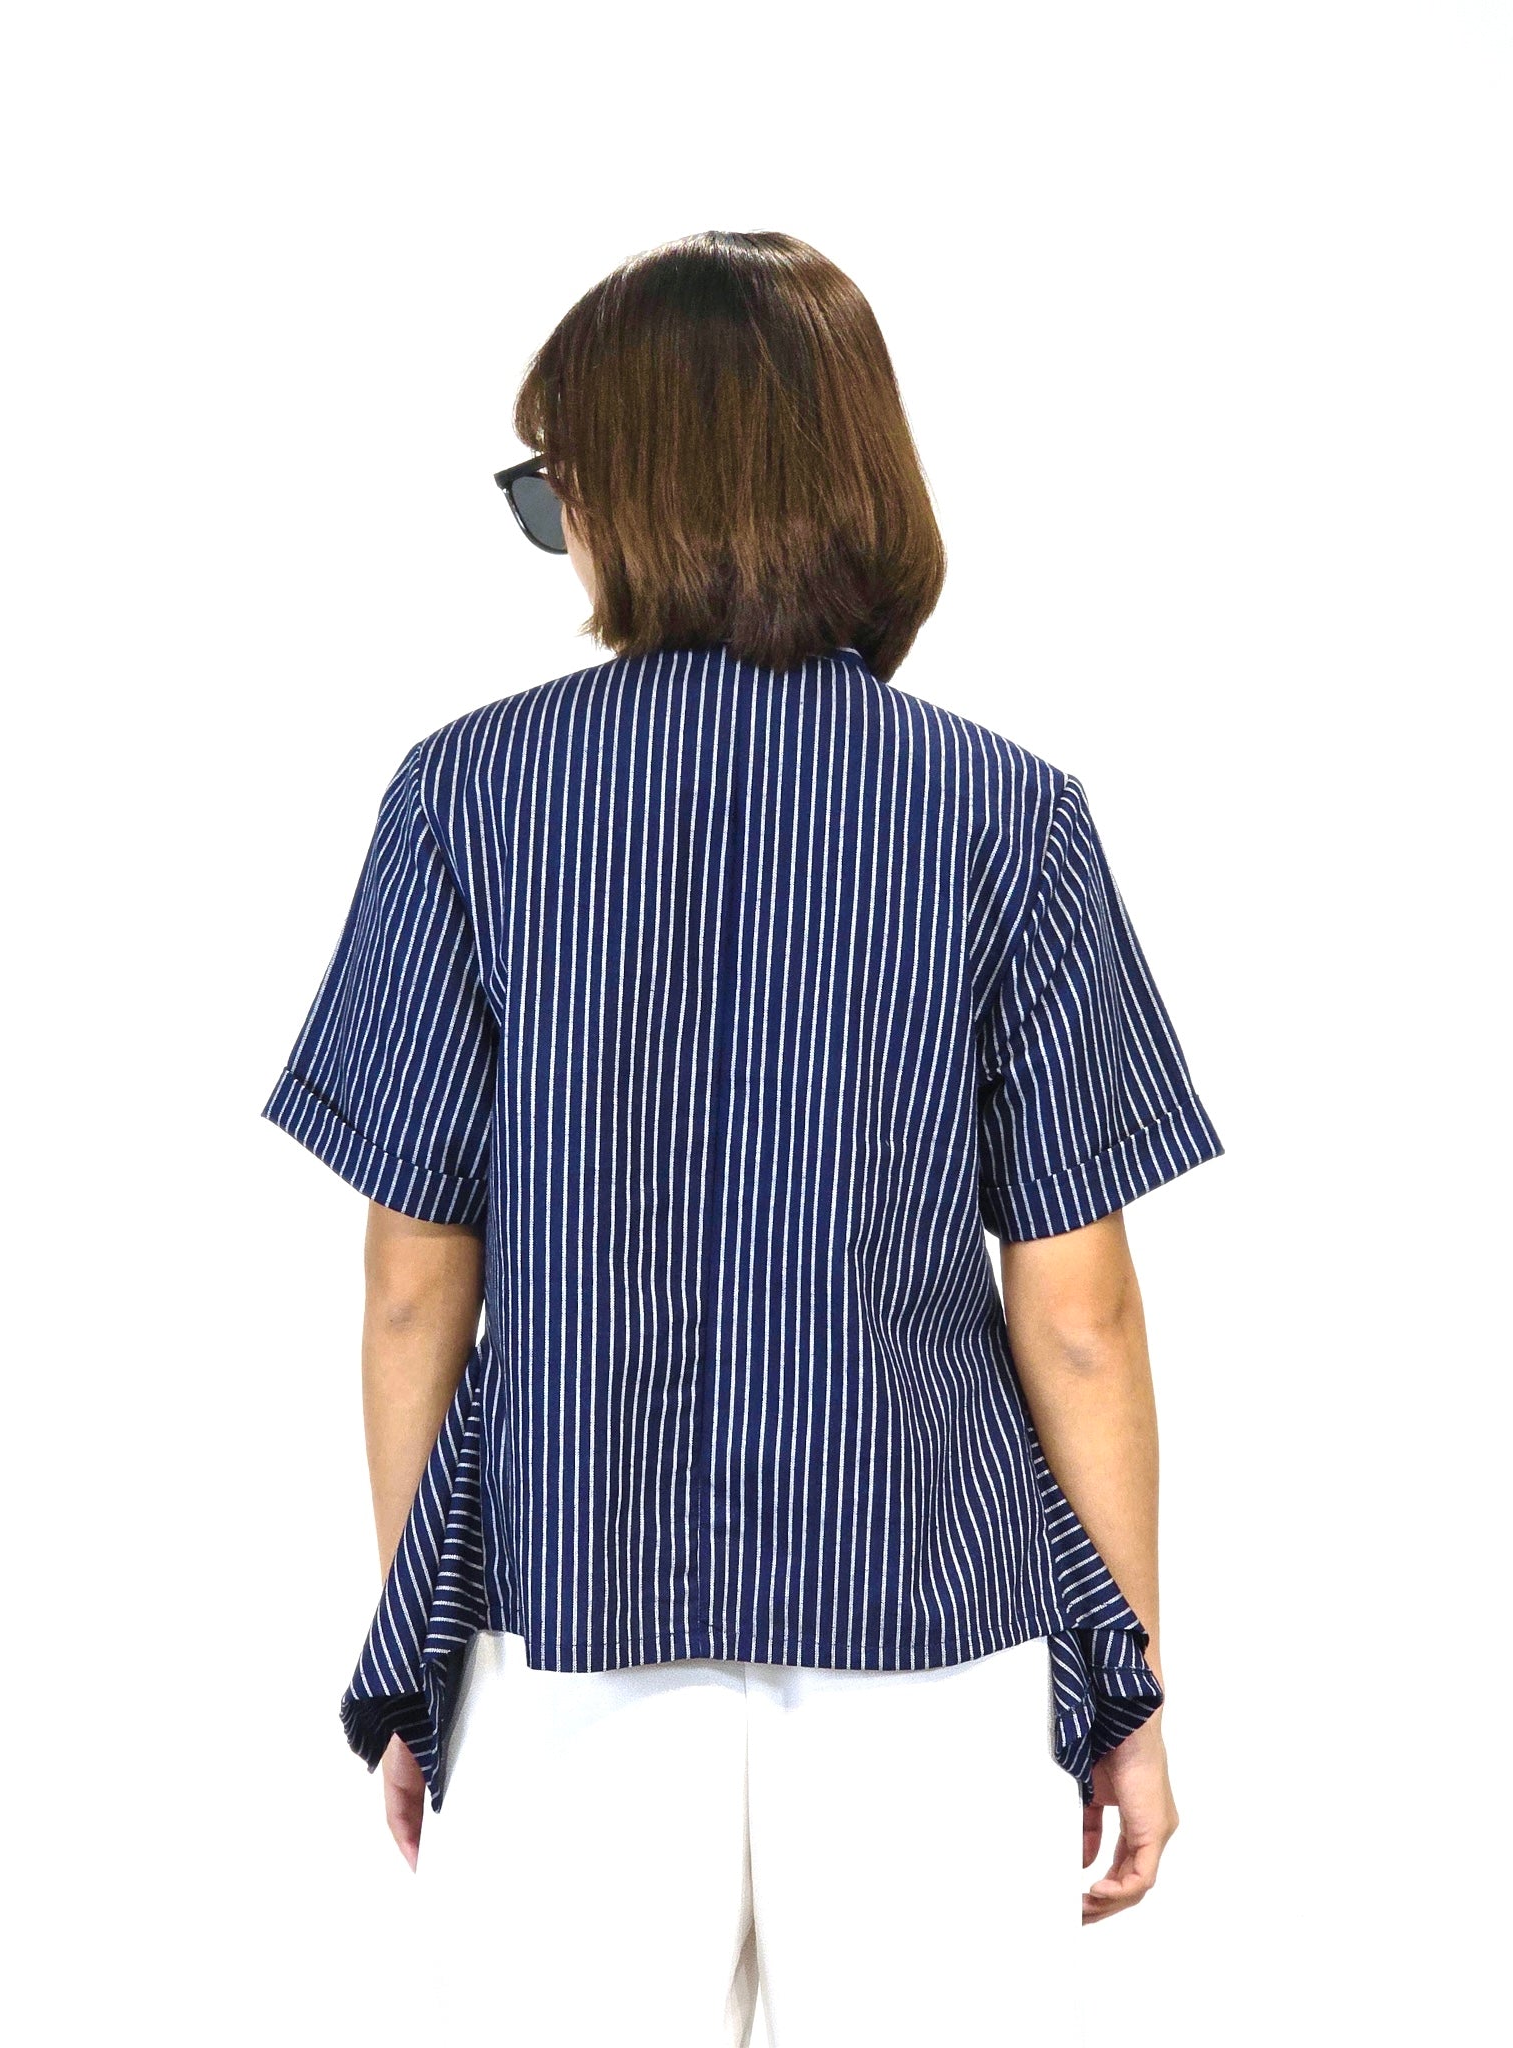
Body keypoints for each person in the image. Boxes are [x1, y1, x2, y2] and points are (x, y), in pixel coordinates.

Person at [259, 229, 1225, 2046]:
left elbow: (410, 1287)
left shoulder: (468, 798)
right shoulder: (1005, 814)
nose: (561, 532)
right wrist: (1136, 1691)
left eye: (557, 488)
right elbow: (1080, 1308)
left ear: (637, 493)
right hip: (930, 1618)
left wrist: (423, 1649)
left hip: (564, 1621)